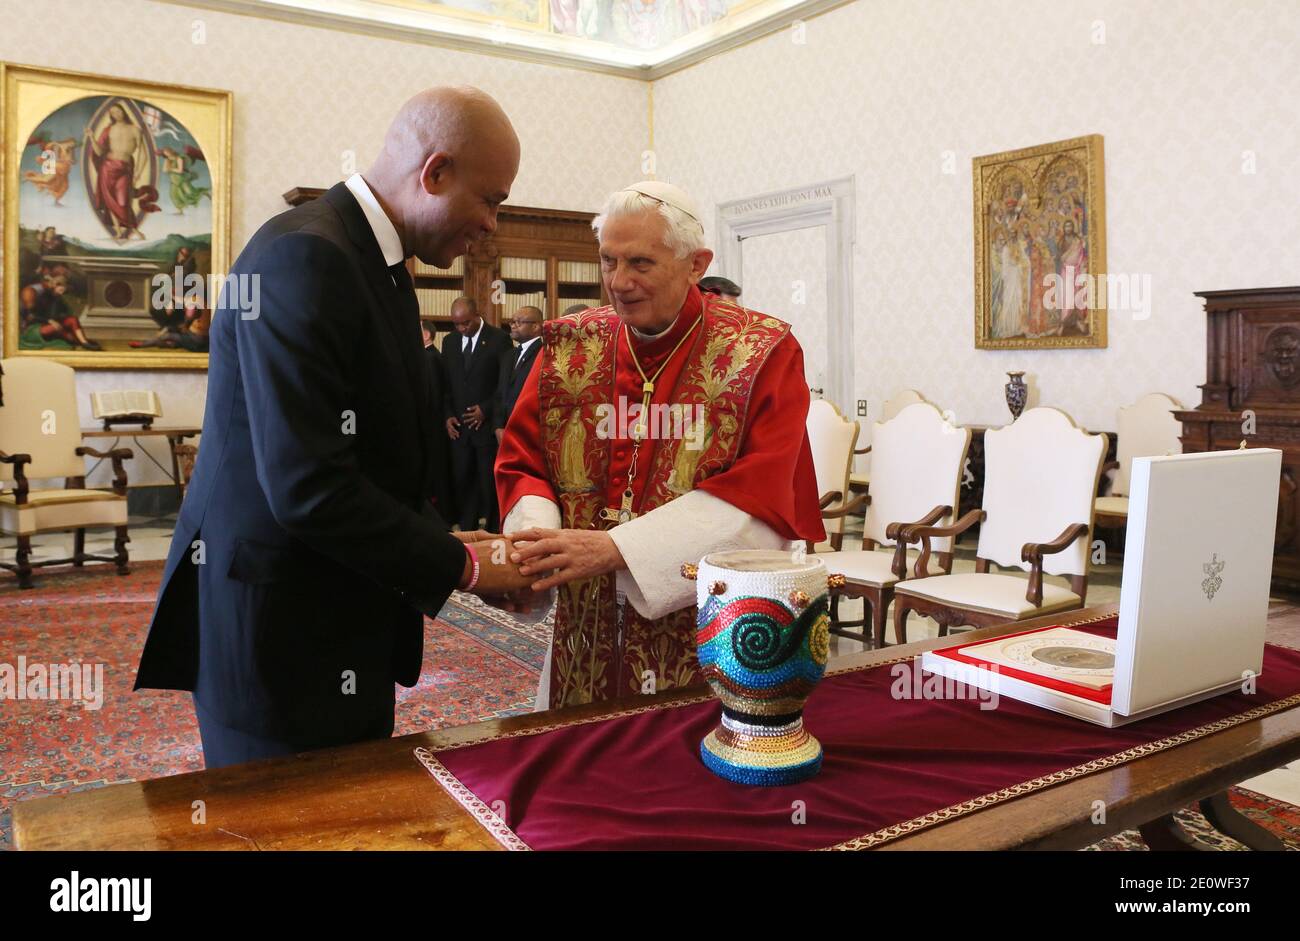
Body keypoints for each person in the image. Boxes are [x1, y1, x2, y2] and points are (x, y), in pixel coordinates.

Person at [134, 86, 532, 768]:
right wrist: (466, 563)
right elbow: (309, 486)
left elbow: (377, 449)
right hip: (281, 638)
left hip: (341, 617)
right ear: (434, 174)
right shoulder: (307, 257)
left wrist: (447, 536)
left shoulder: (373, 261)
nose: (493, 224)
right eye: (491, 200)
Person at [496, 180, 825, 709]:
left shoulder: (763, 351)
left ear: (697, 263)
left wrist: (616, 551)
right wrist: (540, 544)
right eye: (608, 261)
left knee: (689, 777)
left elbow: (763, 492)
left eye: (641, 264)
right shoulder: (568, 345)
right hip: (585, 627)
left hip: (709, 632)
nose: (618, 283)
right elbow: (523, 457)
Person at [440, 296, 511, 530]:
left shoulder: (499, 339)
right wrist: (448, 414)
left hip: (485, 429)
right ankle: (467, 529)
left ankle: (491, 531)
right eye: (457, 324)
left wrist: (486, 409)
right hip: (459, 429)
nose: (462, 329)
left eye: (466, 323)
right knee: (462, 481)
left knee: (487, 483)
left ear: (477, 315)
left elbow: (504, 384)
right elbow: (447, 384)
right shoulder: (449, 342)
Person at [495, 305, 543, 444]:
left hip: (528, 432)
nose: (513, 326)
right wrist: (498, 426)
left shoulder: (544, 354)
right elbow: (500, 393)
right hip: (504, 432)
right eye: (512, 322)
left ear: (536, 327)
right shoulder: (508, 355)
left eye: (519, 322)